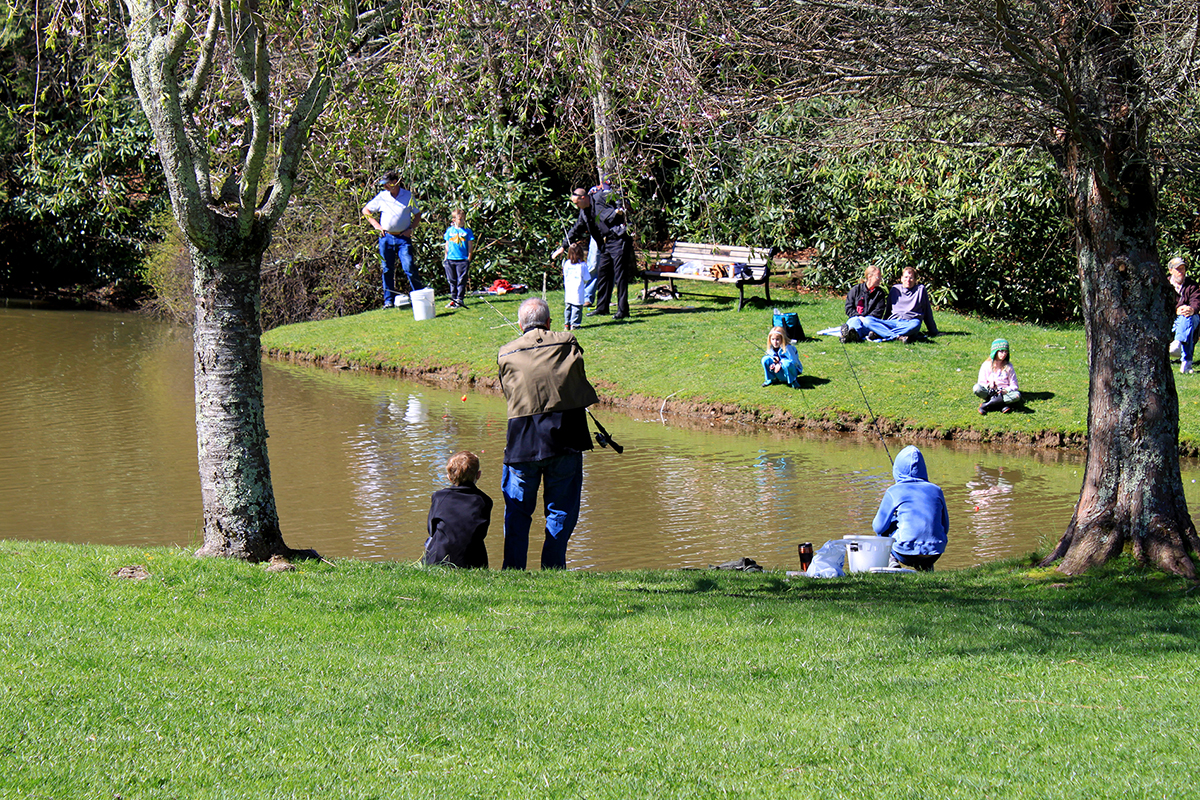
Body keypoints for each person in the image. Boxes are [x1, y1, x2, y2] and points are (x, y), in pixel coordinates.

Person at [497, 297, 600, 569]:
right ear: (549, 322)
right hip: (564, 438)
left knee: (517, 511)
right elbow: (578, 378)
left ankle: (514, 570)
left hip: (522, 441)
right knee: (561, 508)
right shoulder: (568, 342)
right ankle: (553, 568)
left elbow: (508, 391)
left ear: (520, 325)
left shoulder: (506, 352)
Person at [553, 183, 633, 321]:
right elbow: (577, 229)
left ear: (584, 198)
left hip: (618, 239)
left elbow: (619, 194)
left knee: (620, 277)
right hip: (604, 243)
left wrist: (620, 208)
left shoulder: (601, 197)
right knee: (603, 275)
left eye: (577, 203)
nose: (577, 207)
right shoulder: (584, 212)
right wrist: (563, 246)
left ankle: (623, 310)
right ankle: (602, 308)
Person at [872, 445, 949, 571]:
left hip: (905, 553)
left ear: (897, 468)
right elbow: (945, 527)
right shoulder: (936, 490)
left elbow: (878, 527)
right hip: (935, 552)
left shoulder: (893, 491)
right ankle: (926, 566)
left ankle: (892, 561)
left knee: (885, 529)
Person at [362, 171, 423, 308]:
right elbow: (366, 211)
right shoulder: (382, 197)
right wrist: (377, 226)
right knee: (387, 269)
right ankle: (388, 300)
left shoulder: (407, 196)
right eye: (384, 185)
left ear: (396, 182)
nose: (386, 187)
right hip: (386, 237)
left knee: (409, 267)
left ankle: (419, 296)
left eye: (388, 184)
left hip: (403, 238)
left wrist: (411, 230)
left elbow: (417, 215)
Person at [423, 451, 492, 568]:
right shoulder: (484, 501)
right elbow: (481, 533)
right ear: (478, 475)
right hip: (472, 562)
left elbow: (432, 529)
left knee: (431, 539)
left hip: (438, 559)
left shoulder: (439, 497)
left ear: (449, 477)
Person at [842, 266, 938, 344]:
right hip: (892, 322)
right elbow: (888, 310)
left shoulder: (920, 290)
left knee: (916, 324)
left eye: (911, 277)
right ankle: (852, 335)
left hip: (908, 323)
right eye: (905, 277)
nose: (908, 280)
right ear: (901, 278)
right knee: (865, 321)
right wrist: (861, 317)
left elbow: (927, 311)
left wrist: (933, 331)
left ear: (915, 280)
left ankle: (880, 334)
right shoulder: (895, 289)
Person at [840, 265, 890, 343]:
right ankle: (852, 334)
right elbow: (849, 308)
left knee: (867, 323)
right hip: (855, 318)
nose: (880, 280)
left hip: (869, 321)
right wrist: (858, 316)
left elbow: (879, 311)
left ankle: (850, 335)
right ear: (869, 277)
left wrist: (866, 319)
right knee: (854, 321)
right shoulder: (856, 290)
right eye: (878, 277)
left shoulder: (879, 293)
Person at [1167, 256, 1200, 374]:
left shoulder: (1192, 285)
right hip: (1170, 319)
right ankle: (1186, 364)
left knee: (1188, 319)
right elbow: (1161, 304)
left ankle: (1178, 343)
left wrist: (1191, 309)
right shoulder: (1165, 285)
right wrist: (1176, 310)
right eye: (1178, 269)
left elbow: (1197, 301)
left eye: (1183, 268)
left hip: (1190, 317)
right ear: (1171, 270)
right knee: (1187, 323)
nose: (1181, 272)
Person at [973, 338, 1022, 414]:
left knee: (1017, 395)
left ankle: (988, 405)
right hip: (990, 392)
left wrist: (1006, 390)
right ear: (995, 352)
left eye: (1006, 351)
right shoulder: (986, 365)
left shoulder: (1009, 366)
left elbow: (1014, 385)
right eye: (1001, 351)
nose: (1004, 354)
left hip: (1004, 393)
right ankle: (1002, 405)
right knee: (976, 388)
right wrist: (989, 386)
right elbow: (981, 382)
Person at [442, 209, 474, 309]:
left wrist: (468, 258)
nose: (462, 221)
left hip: (462, 260)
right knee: (452, 280)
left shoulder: (467, 232)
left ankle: (459, 299)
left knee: (461, 280)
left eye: (463, 219)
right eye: (460, 219)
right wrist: (445, 258)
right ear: (454, 219)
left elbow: (470, 246)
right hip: (450, 259)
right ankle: (453, 298)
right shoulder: (450, 231)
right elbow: (447, 245)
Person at [562, 240, 591, 330]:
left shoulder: (566, 263)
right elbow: (587, 278)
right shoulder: (582, 265)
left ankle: (567, 324)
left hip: (569, 290)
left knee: (568, 308)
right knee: (576, 308)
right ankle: (575, 324)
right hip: (578, 290)